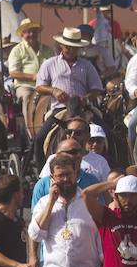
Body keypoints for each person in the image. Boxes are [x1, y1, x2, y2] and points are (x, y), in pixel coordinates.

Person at [34, 27, 104, 169]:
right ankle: (41, 169)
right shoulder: (50, 63)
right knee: (40, 138)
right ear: (61, 45)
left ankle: (112, 162)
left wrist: (87, 97)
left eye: (74, 47)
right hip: (60, 109)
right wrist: (54, 91)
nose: (70, 50)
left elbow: (97, 87)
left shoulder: (87, 65)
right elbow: (39, 87)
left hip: (83, 107)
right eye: (68, 46)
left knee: (107, 132)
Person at [8, 18, 53, 135]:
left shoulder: (47, 49)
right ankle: (31, 134)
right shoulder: (17, 50)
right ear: (22, 34)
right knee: (27, 98)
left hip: (46, 86)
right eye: (28, 31)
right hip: (26, 86)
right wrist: (33, 77)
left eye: (34, 31)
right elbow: (13, 73)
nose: (31, 34)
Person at [38, 117, 110, 183]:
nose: (72, 136)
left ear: (88, 136)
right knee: (39, 138)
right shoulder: (53, 158)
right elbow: (44, 185)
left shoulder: (100, 161)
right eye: (69, 132)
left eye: (78, 133)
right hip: (60, 108)